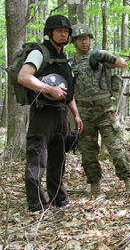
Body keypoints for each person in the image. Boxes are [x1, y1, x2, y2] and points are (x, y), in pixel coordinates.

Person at [17, 14, 83, 212]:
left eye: (66, 32)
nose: (63, 35)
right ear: (49, 33)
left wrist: (76, 115)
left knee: (58, 158)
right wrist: (47, 89)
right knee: (37, 158)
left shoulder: (63, 59)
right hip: (42, 113)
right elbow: (23, 77)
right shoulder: (39, 52)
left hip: (61, 114)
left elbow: (68, 92)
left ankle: (58, 199)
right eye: (59, 31)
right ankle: (37, 205)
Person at [69, 23, 130, 196]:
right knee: (88, 154)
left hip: (105, 110)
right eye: (80, 39)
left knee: (116, 149)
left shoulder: (100, 57)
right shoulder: (71, 62)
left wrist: (106, 56)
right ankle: (95, 187)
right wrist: (75, 115)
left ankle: (129, 183)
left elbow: (122, 64)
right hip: (84, 112)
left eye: (86, 38)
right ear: (74, 42)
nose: (84, 42)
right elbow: (69, 92)